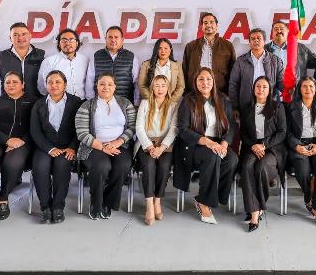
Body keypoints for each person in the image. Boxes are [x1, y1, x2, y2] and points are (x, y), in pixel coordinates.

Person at [174, 67, 239, 224]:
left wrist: (224, 144)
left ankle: (213, 196)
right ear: (195, 82)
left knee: (232, 160)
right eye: (201, 79)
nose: (205, 82)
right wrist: (208, 142)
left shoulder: (222, 99)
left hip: (217, 142)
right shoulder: (188, 100)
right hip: (194, 144)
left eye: (208, 79)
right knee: (212, 156)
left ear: (213, 81)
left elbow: (231, 125)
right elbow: (182, 129)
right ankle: (204, 202)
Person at [0, 71, 37, 227]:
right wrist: (7, 140)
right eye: (7, 82)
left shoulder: (33, 102)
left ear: (23, 84)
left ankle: (3, 198)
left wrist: (21, 141)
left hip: (22, 143)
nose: (10, 85)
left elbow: (36, 127)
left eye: (14, 82)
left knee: (13, 163)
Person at [75, 73, 136, 220]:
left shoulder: (125, 103)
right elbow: (82, 132)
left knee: (123, 165)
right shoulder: (87, 105)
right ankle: (96, 203)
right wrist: (102, 147)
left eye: (109, 84)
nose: (105, 87)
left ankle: (108, 202)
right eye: (102, 84)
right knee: (102, 166)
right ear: (96, 86)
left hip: (120, 145)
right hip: (94, 146)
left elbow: (133, 127)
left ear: (115, 87)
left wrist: (118, 142)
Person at [30, 70, 82, 224]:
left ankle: (58, 207)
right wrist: (49, 149)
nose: (54, 85)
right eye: (50, 82)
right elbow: (35, 131)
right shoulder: (39, 104)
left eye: (58, 82)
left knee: (62, 165)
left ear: (65, 84)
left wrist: (72, 147)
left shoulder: (76, 102)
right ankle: (46, 207)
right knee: (40, 166)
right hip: (44, 147)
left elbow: (80, 128)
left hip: (67, 147)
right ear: (46, 85)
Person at [239, 76, 287, 232]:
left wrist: (264, 145)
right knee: (247, 166)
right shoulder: (247, 107)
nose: (261, 90)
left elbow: (282, 132)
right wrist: (254, 145)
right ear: (254, 89)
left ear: (270, 90)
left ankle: (256, 209)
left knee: (261, 168)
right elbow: (243, 132)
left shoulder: (277, 107)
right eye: (258, 86)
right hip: (252, 146)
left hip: (272, 148)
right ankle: (255, 210)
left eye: (264, 87)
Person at [286, 77, 316, 228]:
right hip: (299, 144)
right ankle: (309, 198)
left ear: (315, 89)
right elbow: (287, 133)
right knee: (302, 170)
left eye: (311, 86)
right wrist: (297, 146)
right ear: (300, 89)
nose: (308, 89)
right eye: (304, 86)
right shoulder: (291, 107)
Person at [134, 75, 178, 226]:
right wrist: (149, 146)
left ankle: (157, 200)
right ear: (152, 87)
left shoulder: (173, 105)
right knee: (148, 166)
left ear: (168, 88)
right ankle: (149, 204)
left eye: (163, 86)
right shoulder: (145, 103)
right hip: (146, 143)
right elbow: (139, 127)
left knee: (164, 167)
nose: (160, 89)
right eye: (157, 85)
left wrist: (162, 148)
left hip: (165, 145)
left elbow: (174, 129)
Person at [0, 22, 45, 100]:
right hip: (8, 105)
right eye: (15, 35)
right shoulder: (1, 57)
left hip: (36, 104)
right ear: (10, 38)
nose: (20, 38)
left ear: (30, 36)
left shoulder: (42, 55)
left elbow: (49, 81)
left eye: (24, 34)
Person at [229, 28, 284, 115]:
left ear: (264, 41)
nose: (256, 40)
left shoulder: (275, 61)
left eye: (259, 38)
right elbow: (233, 84)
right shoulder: (241, 61)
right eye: (253, 39)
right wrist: (234, 107)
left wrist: (291, 91)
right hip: (246, 105)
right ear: (249, 42)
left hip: (269, 104)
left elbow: (281, 82)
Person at [182, 12, 236, 95]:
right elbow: (185, 70)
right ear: (202, 27)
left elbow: (233, 72)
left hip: (220, 93)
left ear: (216, 26)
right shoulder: (191, 46)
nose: (208, 25)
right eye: (205, 23)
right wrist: (186, 93)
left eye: (211, 22)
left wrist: (230, 93)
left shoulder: (227, 46)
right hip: (195, 92)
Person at [85, 26, 139, 103]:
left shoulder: (131, 57)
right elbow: (90, 81)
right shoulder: (96, 56)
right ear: (105, 39)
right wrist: (90, 101)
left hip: (124, 103)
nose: (113, 40)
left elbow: (137, 83)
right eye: (110, 37)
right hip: (101, 103)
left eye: (116, 37)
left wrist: (137, 102)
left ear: (122, 40)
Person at [264, 20, 316, 91]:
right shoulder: (264, 49)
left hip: (295, 90)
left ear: (287, 32)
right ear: (272, 33)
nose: (279, 31)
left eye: (282, 29)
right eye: (276, 29)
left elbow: (315, 62)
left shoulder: (300, 48)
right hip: (272, 91)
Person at [37, 28, 90, 100]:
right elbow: (42, 87)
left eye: (71, 40)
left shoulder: (85, 60)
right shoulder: (49, 61)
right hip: (60, 103)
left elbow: (90, 83)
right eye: (64, 40)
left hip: (83, 102)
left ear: (77, 43)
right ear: (59, 44)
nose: (67, 43)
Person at [138, 38, 185, 103]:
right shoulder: (146, 65)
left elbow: (181, 86)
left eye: (166, 48)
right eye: (160, 48)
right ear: (156, 50)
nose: (163, 51)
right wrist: (152, 101)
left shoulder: (177, 65)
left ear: (170, 50)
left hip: (171, 104)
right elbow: (142, 85)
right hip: (150, 103)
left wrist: (170, 102)